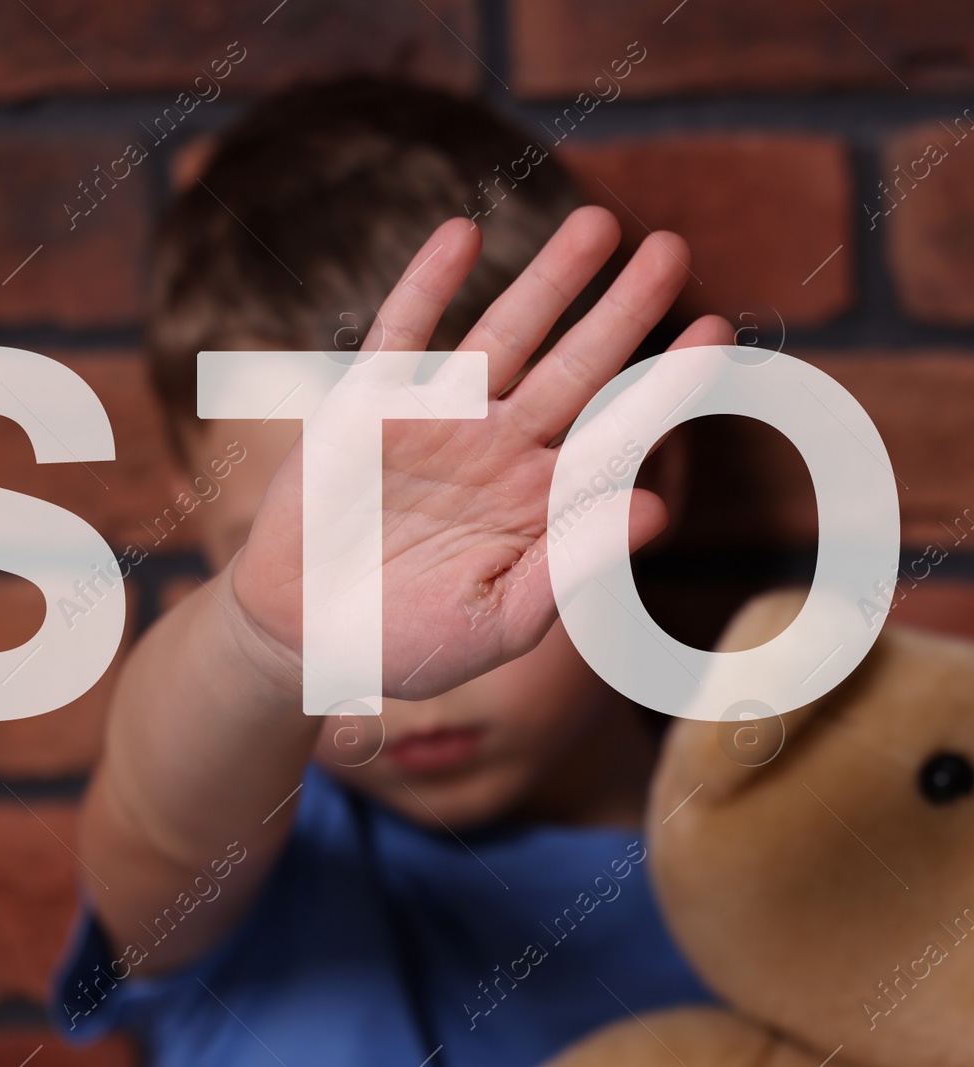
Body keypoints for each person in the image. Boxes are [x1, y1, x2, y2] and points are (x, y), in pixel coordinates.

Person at [48, 78, 734, 1066]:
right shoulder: (251, 862)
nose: (403, 674)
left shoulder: (806, 858)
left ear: (646, 472)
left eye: (488, 547)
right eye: (310, 559)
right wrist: (263, 642)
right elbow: (156, 829)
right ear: (198, 526)